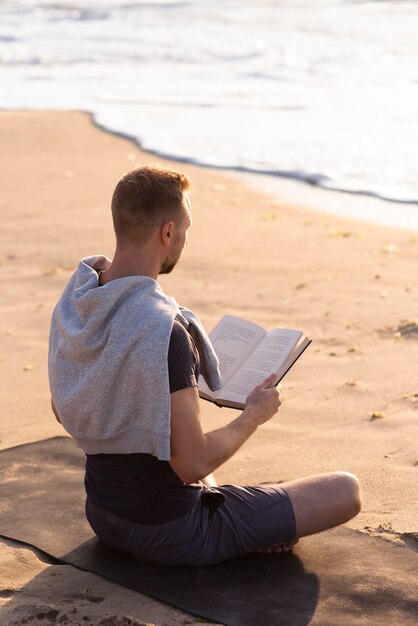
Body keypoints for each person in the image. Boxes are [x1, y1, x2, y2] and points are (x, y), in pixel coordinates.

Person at [49, 166, 361, 567]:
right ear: (167, 232)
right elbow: (190, 464)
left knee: (198, 472)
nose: (184, 238)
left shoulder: (80, 300)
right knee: (344, 490)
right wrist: (253, 416)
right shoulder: (163, 330)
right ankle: (248, 528)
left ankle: (249, 519)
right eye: (185, 228)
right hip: (171, 533)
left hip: (105, 517)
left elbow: (63, 409)